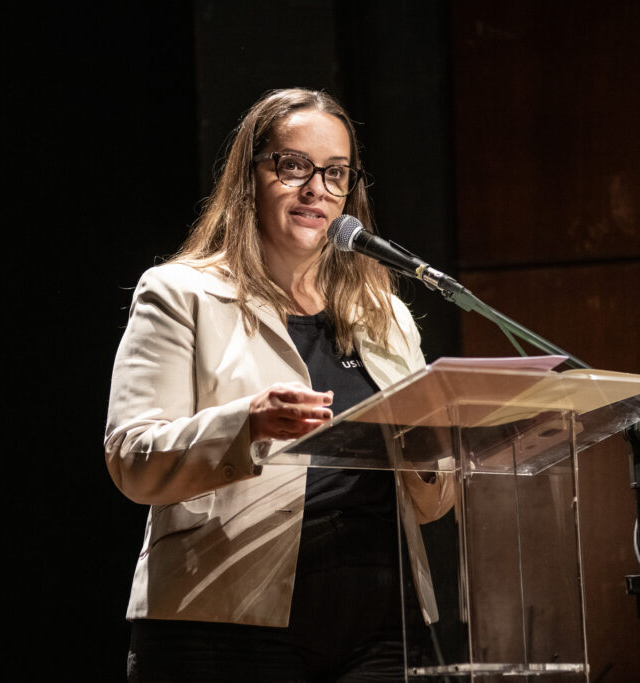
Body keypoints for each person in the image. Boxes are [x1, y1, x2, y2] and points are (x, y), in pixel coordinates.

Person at [105, 88, 454, 682]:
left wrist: (430, 454)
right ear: (250, 178)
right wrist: (245, 424)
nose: (317, 189)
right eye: (294, 166)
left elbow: (431, 504)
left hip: (384, 620)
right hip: (229, 618)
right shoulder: (180, 294)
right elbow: (131, 458)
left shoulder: (385, 314)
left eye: (336, 173)